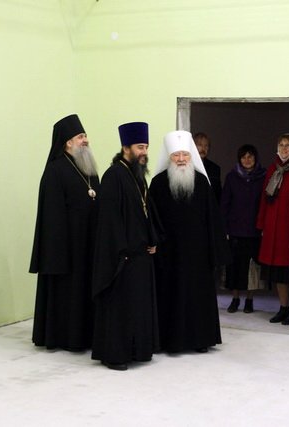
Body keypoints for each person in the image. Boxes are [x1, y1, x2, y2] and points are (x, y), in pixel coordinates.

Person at [149, 130, 230, 353]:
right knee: (170, 295)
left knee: (197, 296)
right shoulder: (157, 184)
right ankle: (170, 341)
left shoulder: (202, 182)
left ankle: (200, 340)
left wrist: (215, 251)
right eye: (176, 155)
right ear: (169, 157)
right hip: (168, 253)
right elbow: (152, 219)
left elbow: (212, 219)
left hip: (198, 254)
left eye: (185, 154)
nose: (181, 159)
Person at [91, 122, 159, 371]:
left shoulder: (138, 176)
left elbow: (147, 212)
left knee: (137, 307)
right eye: (140, 147)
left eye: (146, 147)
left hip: (140, 255)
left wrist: (152, 240)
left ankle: (137, 351)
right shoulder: (114, 176)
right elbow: (109, 221)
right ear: (126, 148)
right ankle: (115, 355)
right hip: (122, 258)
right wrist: (122, 253)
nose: (144, 152)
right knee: (120, 308)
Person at [29, 114, 99, 351]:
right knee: (67, 294)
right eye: (80, 136)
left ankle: (86, 335)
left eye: (85, 135)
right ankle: (63, 337)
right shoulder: (55, 170)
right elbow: (51, 216)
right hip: (66, 248)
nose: (85, 140)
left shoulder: (89, 168)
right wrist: (61, 248)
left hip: (89, 244)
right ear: (67, 142)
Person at [221, 144, 267, 313]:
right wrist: (224, 228)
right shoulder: (232, 177)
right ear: (239, 159)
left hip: (255, 231)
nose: (247, 160)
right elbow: (224, 204)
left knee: (252, 268)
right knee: (234, 267)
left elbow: (265, 203)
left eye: (250, 157)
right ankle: (235, 299)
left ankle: (249, 300)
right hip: (235, 230)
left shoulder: (263, 177)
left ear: (255, 158)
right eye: (243, 157)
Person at [256, 133, 289, 325]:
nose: (284, 148)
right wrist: (262, 224)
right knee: (279, 272)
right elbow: (264, 199)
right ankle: (283, 308)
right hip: (273, 228)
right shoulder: (273, 169)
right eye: (281, 145)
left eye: (288, 145)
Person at [193, 132, 222, 202]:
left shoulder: (215, 169)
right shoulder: (186, 167)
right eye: (200, 145)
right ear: (193, 146)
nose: (203, 149)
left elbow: (218, 194)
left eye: (206, 146)